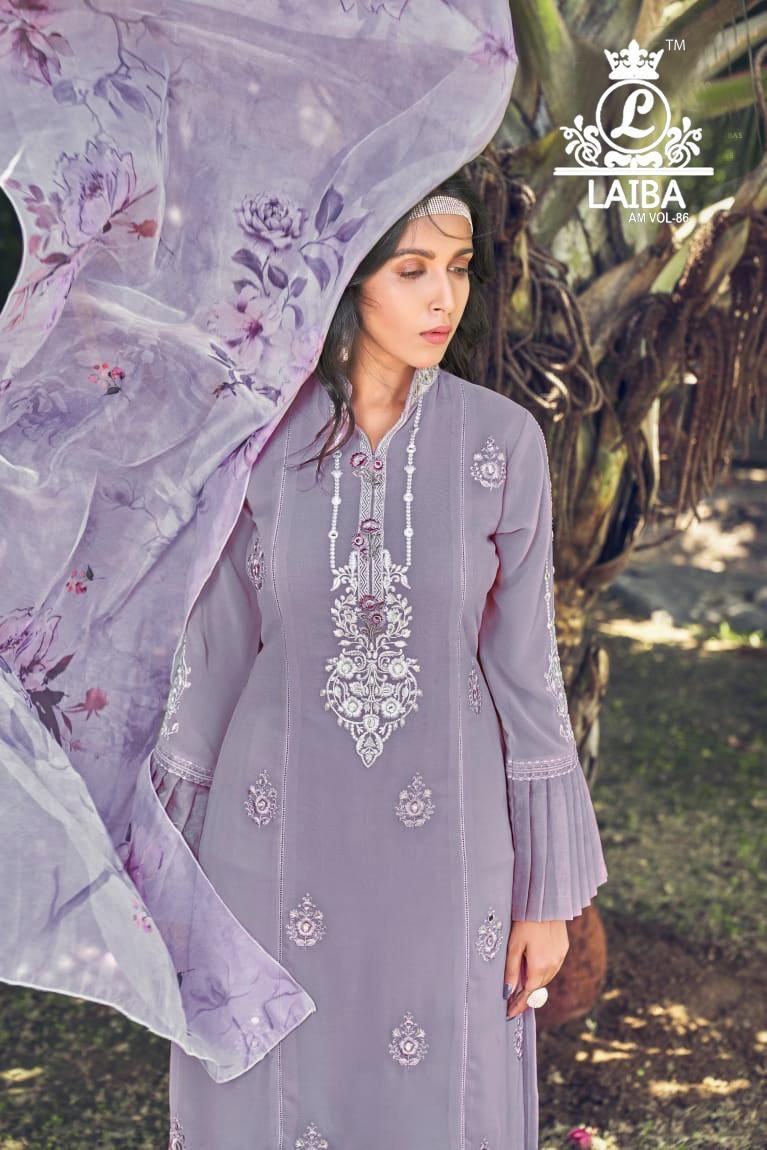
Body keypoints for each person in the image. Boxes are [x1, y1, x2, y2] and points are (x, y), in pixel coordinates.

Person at [150, 171, 608, 1149]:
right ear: (350, 279)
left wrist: (545, 897)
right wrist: (167, 865)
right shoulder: (258, 442)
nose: (444, 297)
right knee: (272, 1089)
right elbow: (216, 650)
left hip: (450, 846)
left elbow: (526, 669)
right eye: (412, 270)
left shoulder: (501, 444)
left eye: (458, 269)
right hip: (268, 835)